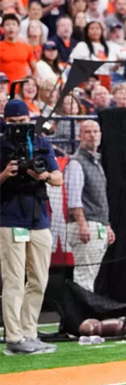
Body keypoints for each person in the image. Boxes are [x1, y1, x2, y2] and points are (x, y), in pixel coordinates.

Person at [0, 99, 64, 355]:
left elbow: (58, 177)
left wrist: (44, 176)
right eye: (13, 122)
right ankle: (14, 339)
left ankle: (29, 333)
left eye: (22, 121)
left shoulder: (40, 143)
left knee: (39, 278)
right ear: (5, 121)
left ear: (30, 118)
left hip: (38, 218)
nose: (18, 126)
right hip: (9, 216)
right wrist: (5, 174)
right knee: (13, 279)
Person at [65, 120, 114, 292]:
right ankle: (82, 315)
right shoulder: (77, 162)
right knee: (84, 275)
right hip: (86, 225)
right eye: (88, 132)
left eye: (95, 131)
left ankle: (87, 314)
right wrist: (82, 224)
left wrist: (106, 224)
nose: (92, 135)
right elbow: (74, 199)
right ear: (79, 136)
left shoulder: (96, 162)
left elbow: (99, 198)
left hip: (96, 224)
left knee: (90, 274)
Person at [0, 14, 36, 88]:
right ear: (2, 28)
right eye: (7, 24)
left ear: (19, 28)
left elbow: (34, 68)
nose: (11, 27)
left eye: (14, 24)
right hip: (4, 88)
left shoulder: (26, 47)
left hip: (22, 89)